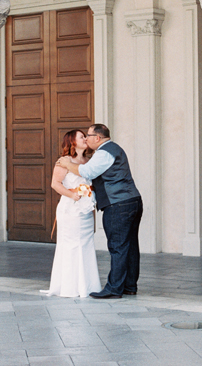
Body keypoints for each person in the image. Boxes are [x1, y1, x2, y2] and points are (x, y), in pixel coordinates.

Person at [57, 124, 142, 299]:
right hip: (131, 201)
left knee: (118, 247)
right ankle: (129, 285)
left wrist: (67, 163)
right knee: (130, 245)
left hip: (119, 205)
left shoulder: (104, 152)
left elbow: (87, 172)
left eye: (88, 135)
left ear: (98, 138)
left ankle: (114, 288)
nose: (86, 139)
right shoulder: (112, 149)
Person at [41, 129, 101, 298]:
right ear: (73, 142)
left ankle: (87, 285)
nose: (85, 139)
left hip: (86, 209)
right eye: (82, 137)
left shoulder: (88, 161)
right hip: (71, 209)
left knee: (86, 245)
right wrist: (72, 194)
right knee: (72, 245)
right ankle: (70, 287)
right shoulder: (64, 161)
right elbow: (55, 183)